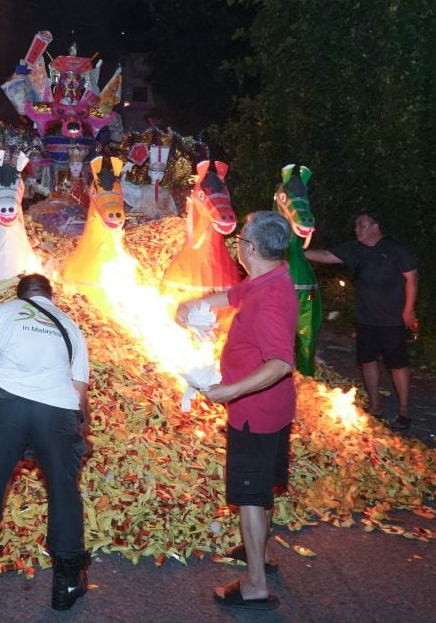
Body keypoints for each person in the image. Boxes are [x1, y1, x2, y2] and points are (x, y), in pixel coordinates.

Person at [0, 273, 91, 612]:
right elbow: (80, 390)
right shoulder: (70, 325)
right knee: (64, 490)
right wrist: (80, 435)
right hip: (57, 410)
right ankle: (68, 582)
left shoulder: (5, 311)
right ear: (50, 297)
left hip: (6, 404)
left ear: (21, 293)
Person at [176, 210, 298, 611]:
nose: (238, 244)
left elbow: (280, 362)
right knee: (261, 489)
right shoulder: (269, 278)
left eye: (241, 239)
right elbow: (230, 296)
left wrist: (229, 390)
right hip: (272, 411)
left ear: (249, 248)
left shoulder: (271, 299)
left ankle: (256, 585)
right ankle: (259, 553)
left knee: (248, 495)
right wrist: (190, 306)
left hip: (256, 414)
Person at [305, 210, 419, 429]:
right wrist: (297, 251)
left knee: (397, 363)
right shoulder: (354, 249)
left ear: (375, 227)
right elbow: (327, 256)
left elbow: (412, 277)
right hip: (366, 317)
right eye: (356, 225)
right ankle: (376, 406)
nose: (357, 229)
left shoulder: (393, 248)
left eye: (361, 225)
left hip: (392, 318)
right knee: (368, 360)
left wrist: (409, 309)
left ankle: (404, 411)